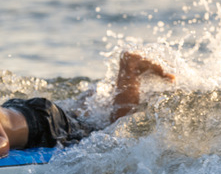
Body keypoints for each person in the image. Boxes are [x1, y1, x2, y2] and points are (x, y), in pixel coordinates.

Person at [0, 52, 175, 158]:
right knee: (77, 118)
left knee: (113, 130)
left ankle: (131, 67)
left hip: (44, 126)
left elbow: (3, 144)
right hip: (25, 112)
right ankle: (96, 91)